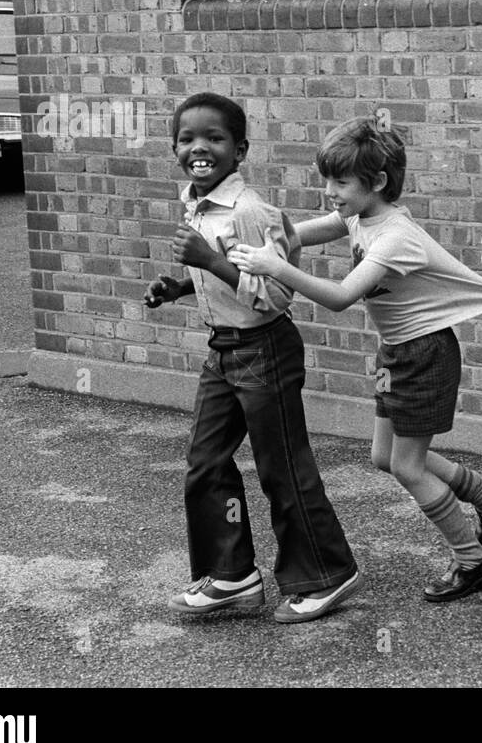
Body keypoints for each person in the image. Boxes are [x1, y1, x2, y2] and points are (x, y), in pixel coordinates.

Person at [228, 116, 482, 603]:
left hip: (425, 353)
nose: (330, 191)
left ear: (378, 182)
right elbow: (302, 233)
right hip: (397, 352)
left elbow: (343, 295)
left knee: (408, 466)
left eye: (340, 182)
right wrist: (270, 236)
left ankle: (473, 562)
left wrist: (275, 266)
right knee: (383, 457)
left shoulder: (396, 237)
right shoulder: (358, 215)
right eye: (327, 179)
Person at [147, 92, 362, 624]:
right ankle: (232, 574)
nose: (200, 148)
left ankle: (327, 574)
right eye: (187, 139)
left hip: (264, 349)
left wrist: (209, 261)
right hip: (223, 350)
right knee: (205, 463)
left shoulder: (249, 211)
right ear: (173, 148)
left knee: (281, 466)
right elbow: (225, 286)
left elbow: (275, 295)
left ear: (239, 150)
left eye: (214, 139)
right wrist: (178, 287)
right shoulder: (198, 201)